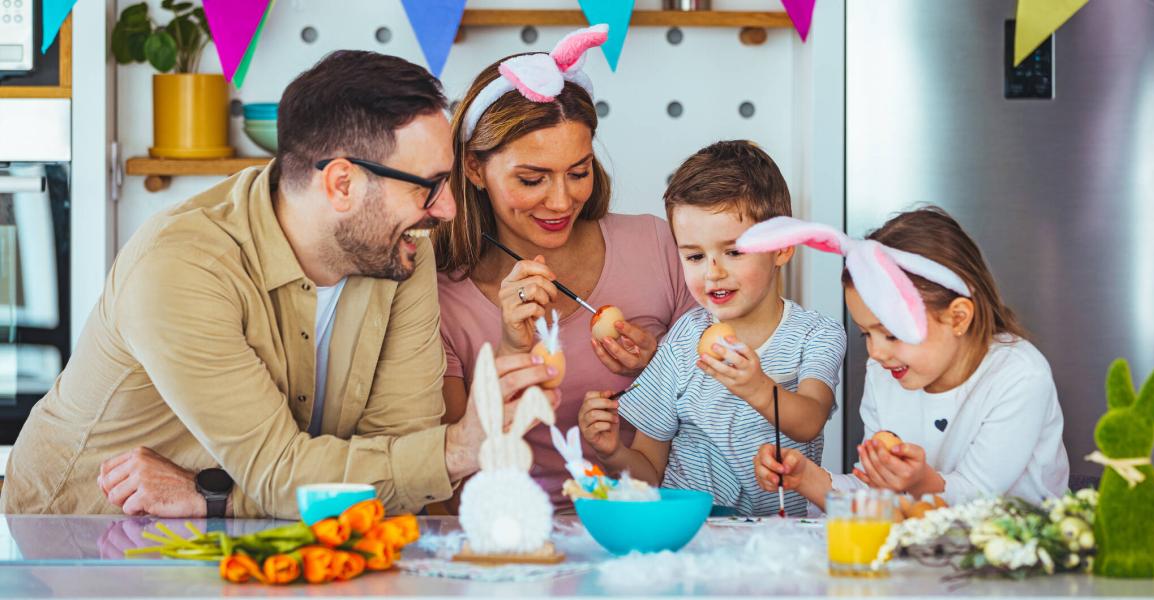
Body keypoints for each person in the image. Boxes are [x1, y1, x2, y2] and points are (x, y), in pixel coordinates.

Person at [0, 51, 554, 518]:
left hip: (236, 541)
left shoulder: (403, 250)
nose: (450, 208)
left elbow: (394, 463)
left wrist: (209, 496)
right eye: (430, 186)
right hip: (72, 543)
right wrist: (458, 450)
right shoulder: (181, 267)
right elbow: (283, 473)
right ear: (342, 183)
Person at [433, 25, 695, 510]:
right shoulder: (439, 295)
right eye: (532, 179)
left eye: (579, 172)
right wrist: (513, 347)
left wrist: (660, 362)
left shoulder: (656, 243)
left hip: (644, 523)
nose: (561, 201)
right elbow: (450, 483)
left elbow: (721, 414)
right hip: (512, 537)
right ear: (473, 169)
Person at [578, 141, 847, 517]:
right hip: (692, 536)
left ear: (783, 248)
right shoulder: (681, 341)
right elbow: (648, 472)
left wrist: (755, 386)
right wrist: (611, 452)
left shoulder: (816, 334)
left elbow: (809, 420)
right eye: (694, 256)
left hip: (775, 543)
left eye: (734, 252)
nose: (713, 272)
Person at [750, 207, 1069, 510]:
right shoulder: (884, 372)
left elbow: (979, 500)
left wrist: (920, 482)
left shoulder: (1018, 376)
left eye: (891, 334)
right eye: (867, 334)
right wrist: (805, 477)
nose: (875, 352)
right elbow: (874, 494)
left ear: (957, 318)